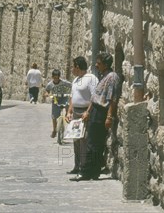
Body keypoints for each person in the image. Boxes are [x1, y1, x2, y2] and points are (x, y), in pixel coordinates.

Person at [71, 52, 120, 182]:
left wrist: (109, 116)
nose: (96, 65)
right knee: (94, 142)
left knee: (93, 143)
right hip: (95, 111)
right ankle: (94, 171)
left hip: (101, 112)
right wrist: (89, 111)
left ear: (105, 64)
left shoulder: (112, 77)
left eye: (99, 63)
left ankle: (86, 171)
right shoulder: (103, 76)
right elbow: (95, 97)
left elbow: (112, 98)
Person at [65, 56, 98, 176]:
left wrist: (88, 111)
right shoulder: (75, 80)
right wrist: (69, 112)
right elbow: (72, 97)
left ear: (77, 67)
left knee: (84, 140)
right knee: (76, 140)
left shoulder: (90, 78)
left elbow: (94, 97)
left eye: (72, 67)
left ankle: (84, 167)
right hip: (76, 113)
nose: (71, 70)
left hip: (85, 113)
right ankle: (77, 165)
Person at [45, 69, 72, 138]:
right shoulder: (50, 84)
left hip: (64, 98)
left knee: (68, 106)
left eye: (57, 78)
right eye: (54, 78)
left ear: (59, 77)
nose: (56, 79)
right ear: (52, 77)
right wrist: (46, 94)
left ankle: (67, 117)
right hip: (56, 99)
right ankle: (54, 130)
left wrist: (71, 93)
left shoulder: (64, 82)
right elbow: (47, 91)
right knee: (54, 116)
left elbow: (72, 86)